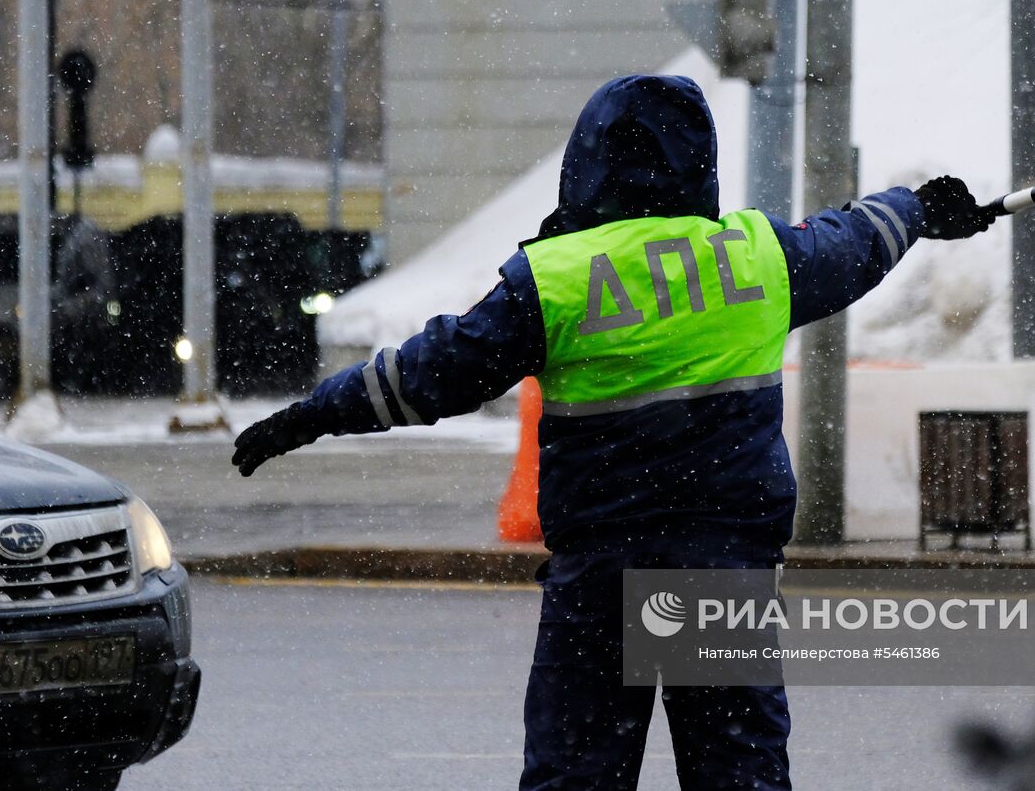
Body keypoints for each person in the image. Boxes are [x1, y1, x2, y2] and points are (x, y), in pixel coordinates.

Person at [232, 74, 993, 790]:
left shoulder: (555, 280)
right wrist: (921, 207)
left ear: (588, 162)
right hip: (720, 572)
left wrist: (312, 414)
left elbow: (429, 373)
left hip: (602, 576)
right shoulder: (760, 257)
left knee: (577, 774)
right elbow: (855, 240)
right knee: (739, 774)